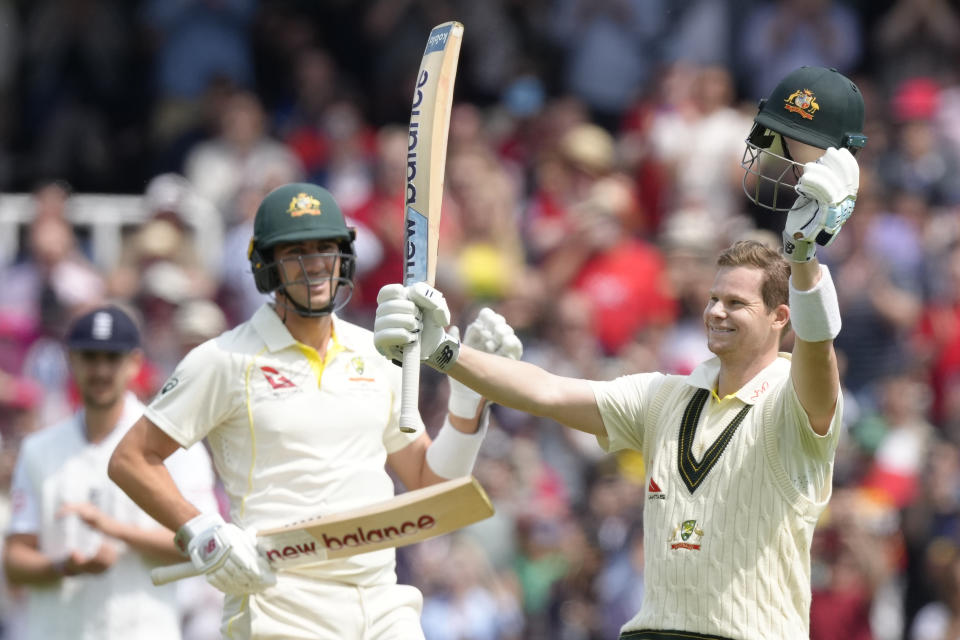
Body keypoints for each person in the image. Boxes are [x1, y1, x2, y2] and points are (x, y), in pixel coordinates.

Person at [374, 66, 866, 640]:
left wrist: (803, 254)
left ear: (780, 319)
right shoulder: (664, 397)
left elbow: (817, 352)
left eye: (736, 303)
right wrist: (444, 352)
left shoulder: (794, 402)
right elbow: (547, 391)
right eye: (712, 298)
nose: (715, 312)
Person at [106, 182, 522, 640]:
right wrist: (202, 531)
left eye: (325, 247)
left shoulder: (376, 352)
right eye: (295, 252)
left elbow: (431, 483)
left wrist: (467, 396)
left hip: (383, 601)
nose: (315, 264)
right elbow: (131, 458)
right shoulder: (223, 360)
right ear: (265, 266)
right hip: (279, 604)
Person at [3, 304, 219, 640]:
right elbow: (15, 561)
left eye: (111, 358)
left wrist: (115, 530)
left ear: (134, 363)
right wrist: (65, 566)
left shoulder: (175, 445)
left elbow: (206, 543)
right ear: (71, 360)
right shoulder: (38, 449)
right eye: (90, 357)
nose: (101, 370)